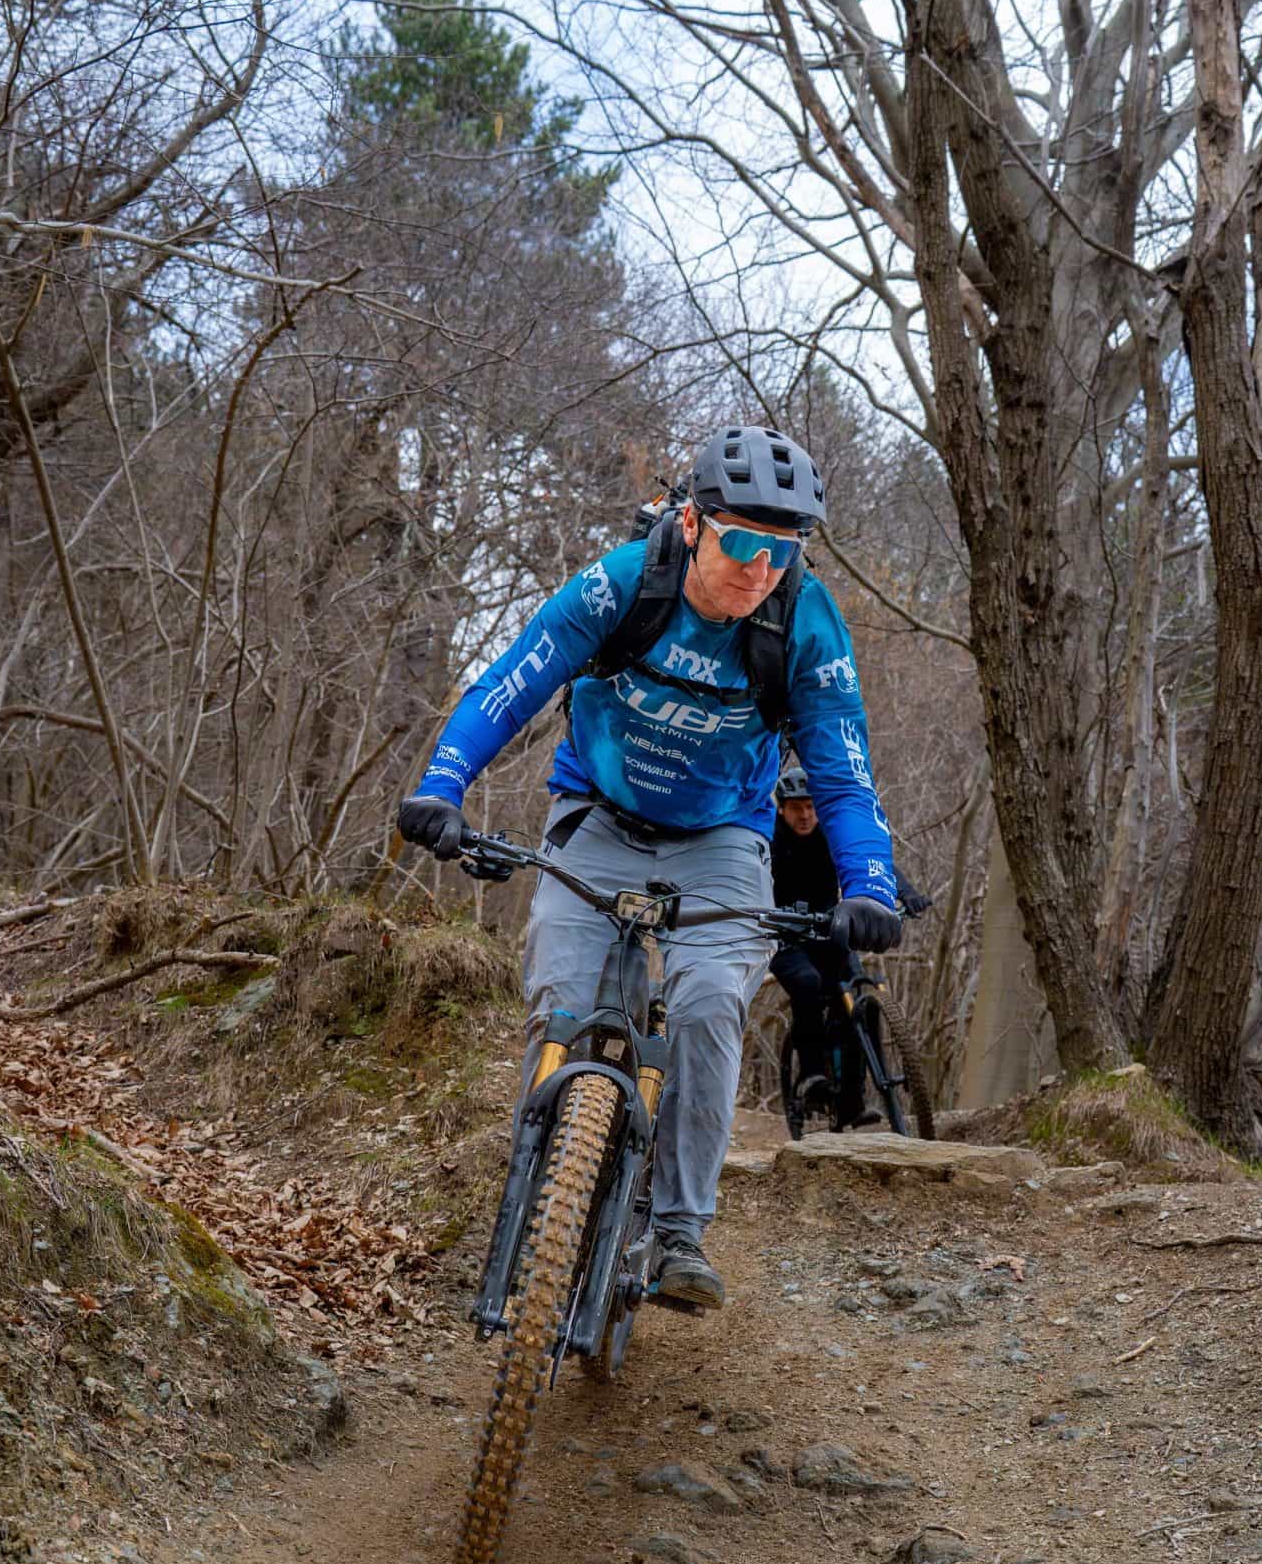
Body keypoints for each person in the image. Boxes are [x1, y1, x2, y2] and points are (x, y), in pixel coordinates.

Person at [397, 423, 900, 1310]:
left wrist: (868, 883)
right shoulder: (624, 582)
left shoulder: (805, 623)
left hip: (722, 840)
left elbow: (842, 766)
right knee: (559, 995)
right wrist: (443, 786)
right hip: (597, 816)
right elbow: (513, 680)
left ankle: (677, 1232)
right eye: (742, 543)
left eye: (781, 554)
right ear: (694, 523)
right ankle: (540, 1197)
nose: (759, 570)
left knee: (708, 1006)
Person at [770, 763, 928, 1125]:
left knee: (861, 999)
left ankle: (852, 1103)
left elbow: (873, 865)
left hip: (829, 931)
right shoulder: (769, 838)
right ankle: (812, 1075)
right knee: (808, 985)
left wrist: (906, 894)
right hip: (785, 938)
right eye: (797, 807)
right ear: (782, 809)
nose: (806, 814)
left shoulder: (832, 834)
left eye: (811, 806)